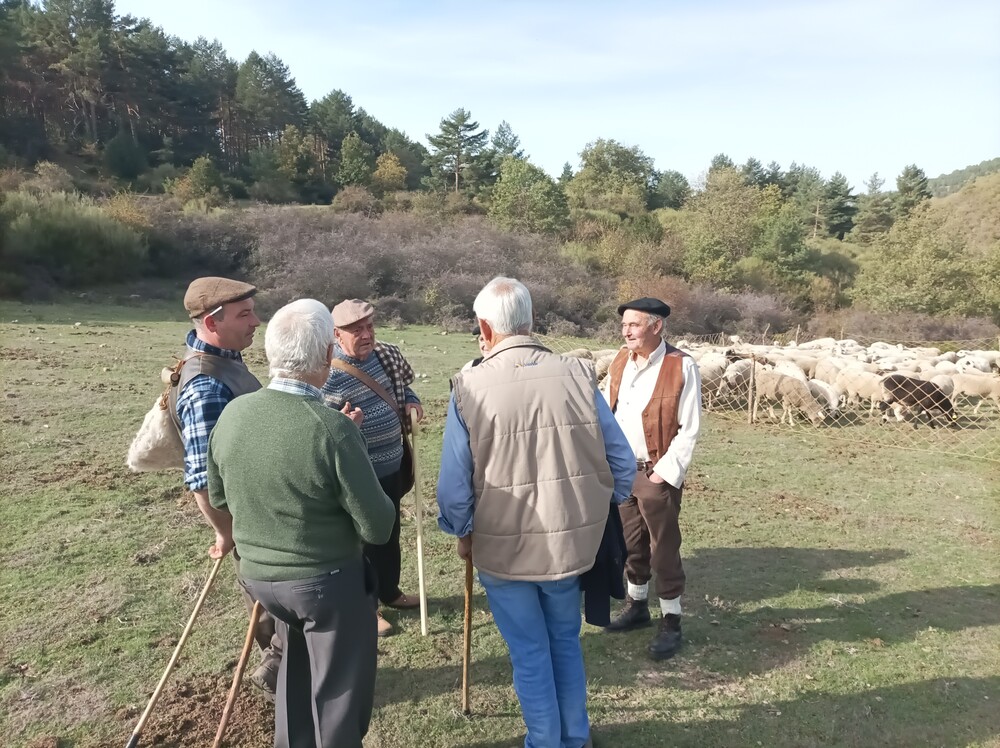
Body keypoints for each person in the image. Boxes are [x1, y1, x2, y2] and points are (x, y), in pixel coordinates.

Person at [437, 277, 635, 748]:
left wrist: (462, 529)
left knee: (529, 651)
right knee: (564, 641)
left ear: (483, 326)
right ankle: (576, 737)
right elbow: (622, 462)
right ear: (532, 321)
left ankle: (545, 741)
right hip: (568, 544)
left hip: (502, 548)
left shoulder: (468, 386)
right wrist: (598, 507)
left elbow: (453, 487)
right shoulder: (578, 374)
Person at [206, 299, 395, 748]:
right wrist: (350, 445)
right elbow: (378, 527)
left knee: (293, 682)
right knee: (338, 703)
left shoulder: (233, 414)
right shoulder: (333, 430)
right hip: (325, 584)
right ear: (329, 355)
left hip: (259, 579)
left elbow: (218, 497)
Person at [171, 276, 282, 697]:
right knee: (275, 611)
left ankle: (285, 673)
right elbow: (201, 479)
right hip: (252, 523)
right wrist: (228, 534)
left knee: (277, 609)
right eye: (245, 314)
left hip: (261, 511)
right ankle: (282, 680)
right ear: (212, 323)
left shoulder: (226, 360)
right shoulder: (206, 386)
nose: (257, 321)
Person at [601, 297, 702, 661]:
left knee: (663, 546)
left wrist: (663, 473)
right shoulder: (619, 361)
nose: (625, 331)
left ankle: (672, 620)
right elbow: (605, 410)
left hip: (655, 471)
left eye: (633, 324)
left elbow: (689, 429)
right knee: (631, 543)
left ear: (656, 326)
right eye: (624, 325)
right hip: (621, 470)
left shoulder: (681, 367)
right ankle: (637, 606)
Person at [321, 299, 424, 638]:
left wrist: (412, 401)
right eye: (356, 330)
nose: (366, 335)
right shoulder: (329, 374)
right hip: (357, 474)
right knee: (363, 541)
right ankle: (367, 608)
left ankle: (390, 591)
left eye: (369, 327)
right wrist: (346, 425)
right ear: (337, 334)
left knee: (388, 533)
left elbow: (401, 388)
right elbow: (322, 427)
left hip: (392, 464)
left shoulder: (384, 357)